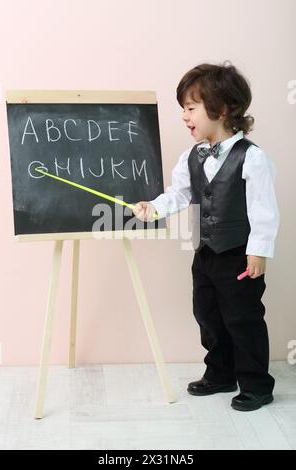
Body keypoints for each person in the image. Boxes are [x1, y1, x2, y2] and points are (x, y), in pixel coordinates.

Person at [133, 62, 280, 412]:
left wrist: (258, 252)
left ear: (223, 108)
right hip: (205, 252)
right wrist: (153, 208)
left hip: (239, 256)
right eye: (183, 108)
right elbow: (180, 194)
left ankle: (257, 385)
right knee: (207, 313)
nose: (185, 116)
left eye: (190, 107)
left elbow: (263, 209)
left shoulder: (252, 158)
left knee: (242, 319)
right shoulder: (191, 157)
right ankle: (220, 373)